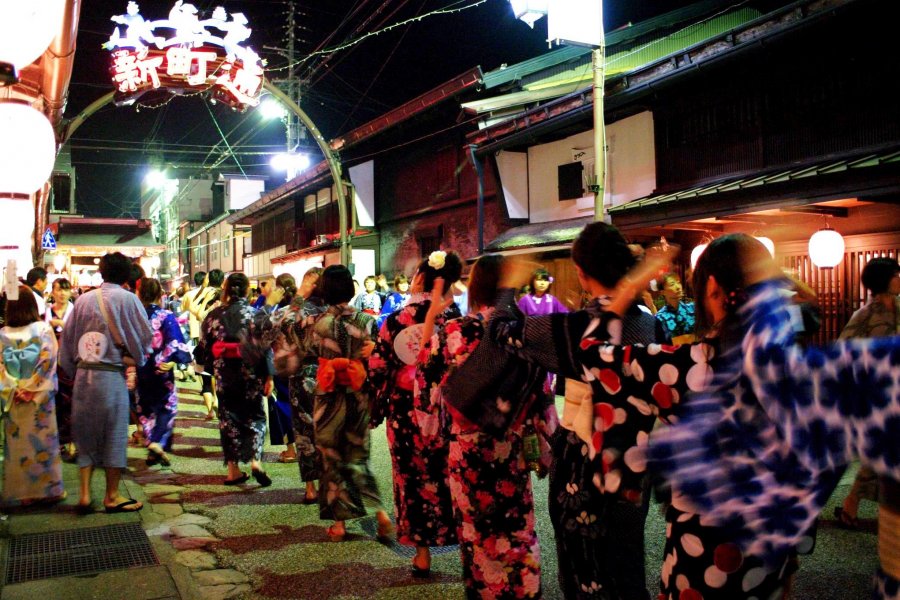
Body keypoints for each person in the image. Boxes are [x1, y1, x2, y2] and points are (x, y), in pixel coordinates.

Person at [491, 223, 670, 599]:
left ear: (582, 273)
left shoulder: (574, 329)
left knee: (583, 566)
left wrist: (508, 287)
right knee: (627, 561)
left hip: (583, 463)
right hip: (635, 459)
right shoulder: (653, 327)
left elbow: (502, 331)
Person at [419, 254, 558, 598]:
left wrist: (431, 429)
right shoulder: (522, 332)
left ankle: (485, 590)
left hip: (466, 447)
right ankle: (524, 588)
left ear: (477, 288)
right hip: (511, 441)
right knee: (517, 525)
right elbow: (543, 391)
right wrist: (546, 437)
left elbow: (427, 386)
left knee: (476, 529)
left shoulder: (454, 332)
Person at [368, 251, 463, 576]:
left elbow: (378, 367)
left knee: (411, 479)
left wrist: (379, 404)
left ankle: (422, 554)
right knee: (451, 476)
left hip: (406, 412)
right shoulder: (455, 319)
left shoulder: (396, 320)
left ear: (420, 279)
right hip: (447, 410)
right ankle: (466, 547)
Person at [295, 265, 393, 542]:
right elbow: (377, 358)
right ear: (350, 290)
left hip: (327, 395)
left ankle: (339, 525)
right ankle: (380, 513)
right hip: (357, 393)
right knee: (359, 457)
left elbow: (306, 351)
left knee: (331, 459)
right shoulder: (366, 321)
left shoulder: (315, 322)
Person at [59, 252, 153, 514]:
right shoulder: (128, 299)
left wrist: (73, 369)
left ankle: (86, 494)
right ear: (126, 275)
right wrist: (135, 358)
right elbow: (145, 338)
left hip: (83, 377)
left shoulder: (83, 301)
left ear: (102, 272)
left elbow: (66, 343)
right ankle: (111, 496)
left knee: (85, 434)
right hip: (111, 376)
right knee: (113, 434)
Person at [834, 257, 899, 530]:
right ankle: (853, 503)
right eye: (896, 274)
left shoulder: (898, 307)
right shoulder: (865, 315)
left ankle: (854, 504)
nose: (899, 278)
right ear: (884, 279)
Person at [252, 267, 324, 503]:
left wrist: (298, 297)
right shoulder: (331, 311)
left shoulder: (294, 311)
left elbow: (262, 329)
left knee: (304, 432)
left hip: (301, 377)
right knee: (327, 431)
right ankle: (328, 483)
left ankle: (310, 487)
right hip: (330, 375)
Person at [197, 272, 272, 487]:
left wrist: (214, 363)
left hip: (225, 375)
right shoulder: (255, 314)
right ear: (248, 290)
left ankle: (233, 471)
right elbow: (266, 348)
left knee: (228, 420)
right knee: (255, 416)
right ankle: (256, 461)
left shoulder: (213, 315)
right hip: (251, 373)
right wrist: (269, 376)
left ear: (226, 290)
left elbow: (204, 347)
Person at [0, 285, 66, 507]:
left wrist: (13, 386)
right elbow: (48, 361)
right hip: (38, 397)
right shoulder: (43, 329)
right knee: (43, 443)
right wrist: (31, 388)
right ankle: (49, 490)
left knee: (17, 445)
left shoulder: (3, 334)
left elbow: (1, 366)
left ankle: (19, 492)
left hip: (13, 395)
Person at [136, 278, 191, 468]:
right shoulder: (165, 316)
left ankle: (151, 446)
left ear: (139, 294)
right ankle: (157, 442)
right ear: (160, 295)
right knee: (167, 407)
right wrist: (168, 360)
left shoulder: (135, 316)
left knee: (145, 409)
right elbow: (175, 342)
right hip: (161, 371)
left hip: (140, 368)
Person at [46, 277, 76, 462]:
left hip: (70, 361)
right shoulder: (47, 312)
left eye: (66, 290)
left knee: (71, 400)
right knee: (56, 401)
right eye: (59, 289)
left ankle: (72, 440)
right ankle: (57, 441)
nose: (62, 293)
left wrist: (63, 326)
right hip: (51, 363)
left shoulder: (75, 311)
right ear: (53, 291)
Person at [654, 272, 696, 343]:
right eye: (672, 284)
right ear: (662, 292)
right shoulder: (660, 317)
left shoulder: (692, 308)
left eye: (678, 282)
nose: (678, 287)